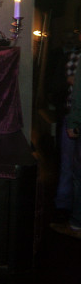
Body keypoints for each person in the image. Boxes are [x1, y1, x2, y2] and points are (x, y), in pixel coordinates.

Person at [50, 49, 81, 239]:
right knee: (68, 165)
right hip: (70, 114)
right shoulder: (71, 55)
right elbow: (57, 85)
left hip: (74, 118)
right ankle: (63, 206)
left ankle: (76, 222)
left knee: (76, 170)